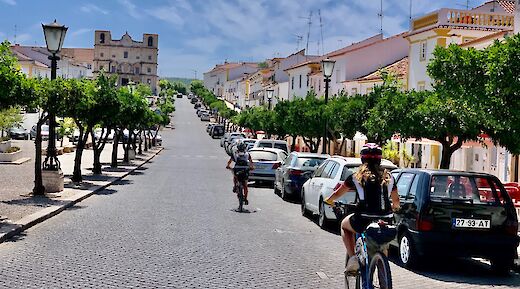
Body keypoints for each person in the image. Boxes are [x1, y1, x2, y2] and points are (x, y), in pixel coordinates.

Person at [326, 143, 400, 274]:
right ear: (379, 159)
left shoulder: (356, 176)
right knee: (382, 243)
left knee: (344, 225)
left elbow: (338, 193)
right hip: (385, 219)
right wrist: (394, 208)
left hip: (363, 220)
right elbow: (396, 202)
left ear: (362, 158)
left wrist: (329, 200)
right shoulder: (389, 177)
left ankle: (353, 258)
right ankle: (383, 275)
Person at [226, 140, 254, 205]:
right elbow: (251, 162)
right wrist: (252, 167)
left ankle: (235, 186)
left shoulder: (235, 154)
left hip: (237, 169)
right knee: (245, 186)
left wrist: (228, 166)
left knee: (235, 176)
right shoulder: (247, 154)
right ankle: (245, 198)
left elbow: (230, 161)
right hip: (245, 170)